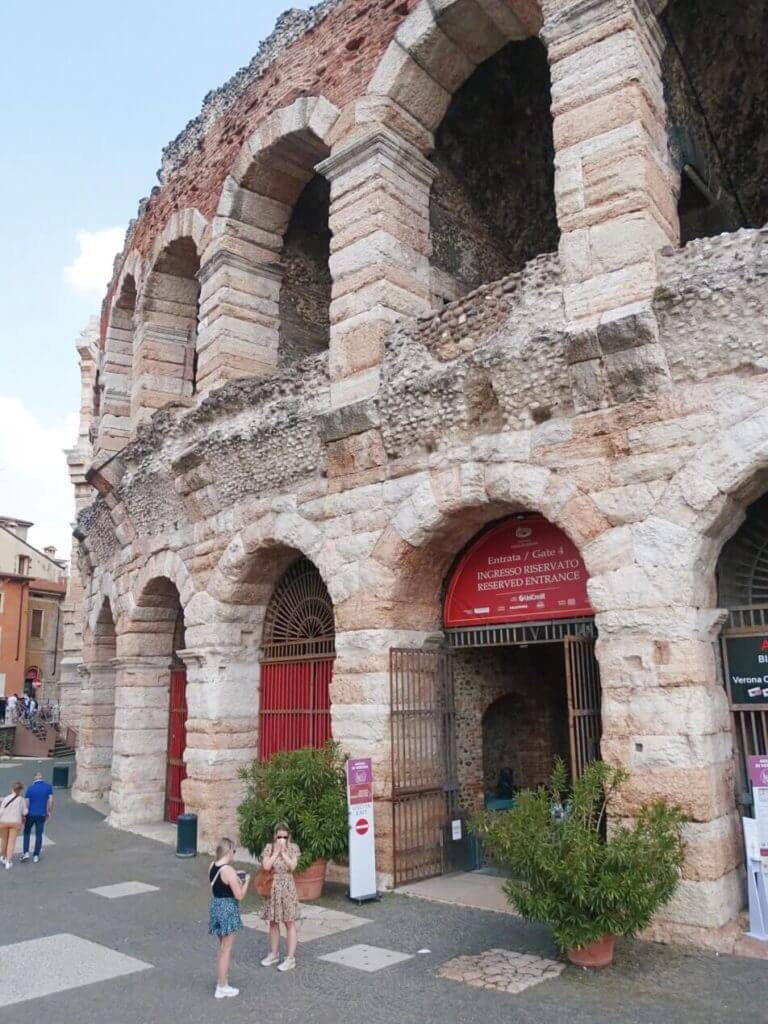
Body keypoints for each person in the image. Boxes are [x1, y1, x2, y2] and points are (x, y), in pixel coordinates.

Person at [208, 837, 250, 999]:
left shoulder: (212, 866)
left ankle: (223, 979)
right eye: (234, 851)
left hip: (216, 906)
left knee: (222, 947)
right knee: (226, 950)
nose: (234, 854)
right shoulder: (229, 871)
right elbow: (239, 895)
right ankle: (222, 986)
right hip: (228, 909)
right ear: (230, 850)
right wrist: (246, 882)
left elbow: (219, 884)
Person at [259, 822, 301, 972]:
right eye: (279, 836)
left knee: (289, 922)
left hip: (288, 888)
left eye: (285, 836)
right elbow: (266, 866)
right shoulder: (269, 848)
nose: (282, 838)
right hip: (273, 887)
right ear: (274, 836)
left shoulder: (293, 848)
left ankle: (290, 958)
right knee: (273, 922)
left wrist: (284, 852)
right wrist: (276, 852)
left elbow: (293, 866)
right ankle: (274, 954)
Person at [22, 772, 54, 863]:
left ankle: (26, 852)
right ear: (42, 777)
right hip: (42, 814)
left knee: (27, 832)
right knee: (39, 834)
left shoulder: (30, 788)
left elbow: (27, 802)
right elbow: (51, 800)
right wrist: (49, 811)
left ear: (35, 778)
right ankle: (36, 855)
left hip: (31, 814)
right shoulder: (48, 787)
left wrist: (25, 814)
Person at [0, 782, 25, 869]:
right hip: (15, 822)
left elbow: (1, 811)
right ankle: (8, 861)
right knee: (11, 842)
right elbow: (25, 812)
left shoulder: (6, 798)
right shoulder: (21, 799)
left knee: (4, 840)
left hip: (4, 822)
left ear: (12, 789)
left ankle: (2, 856)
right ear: (20, 790)